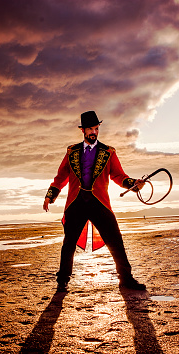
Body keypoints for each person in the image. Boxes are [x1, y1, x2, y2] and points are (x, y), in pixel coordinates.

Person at [43, 110, 146, 292]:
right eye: (90, 129)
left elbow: (118, 175)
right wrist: (50, 195)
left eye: (96, 128)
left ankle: (126, 279)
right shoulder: (72, 152)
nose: (94, 132)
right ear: (83, 130)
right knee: (69, 243)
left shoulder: (108, 152)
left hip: (99, 202)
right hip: (77, 202)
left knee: (115, 240)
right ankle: (62, 281)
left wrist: (134, 184)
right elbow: (61, 176)